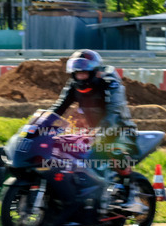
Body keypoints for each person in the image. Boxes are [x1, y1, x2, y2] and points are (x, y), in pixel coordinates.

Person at [46, 49, 139, 212]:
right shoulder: (73, 86)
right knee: (64, 149)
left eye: (84, 73)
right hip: (93, 131)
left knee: (115, 150)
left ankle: (131, 193)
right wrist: (41, 124)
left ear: (94, 72)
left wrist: (100, 130)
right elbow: (59, 107)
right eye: (77, 73)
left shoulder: (110, 83)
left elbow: (114, 111)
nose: (80, 76)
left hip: (120, 129)